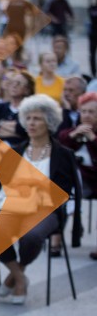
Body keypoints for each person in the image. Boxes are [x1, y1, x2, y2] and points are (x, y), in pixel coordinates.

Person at [0, 95, 82, 305]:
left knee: (31, 236)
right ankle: (20, 277)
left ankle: (15, 276)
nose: (31, 123)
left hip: (45, 209)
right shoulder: (15, 152)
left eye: (37, 118)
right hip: (13, 205)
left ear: (49, 122)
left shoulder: (63, 154)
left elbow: (64, 191)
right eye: (28, 118)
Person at [58, 92, 97, 256]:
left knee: (69, 179)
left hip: (94, 181)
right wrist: (73, 137)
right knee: (59, 183)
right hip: (74, 183)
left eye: (92, 112)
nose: (86, 115)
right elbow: (58, 150)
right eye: (84, 111)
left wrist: (93, 139)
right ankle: (56, 236)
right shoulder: (70, 132)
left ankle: (76, 217)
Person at [0, 70, 35, 146]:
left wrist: (1, 124)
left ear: (27, 90)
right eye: (12, 82)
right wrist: (17, 130)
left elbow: (26, 132)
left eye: (19, 83)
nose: (14, 85)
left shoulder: (30, 111)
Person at [88, 0, 97, 77]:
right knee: (92, 54)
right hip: (93, 34)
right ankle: (93, 72)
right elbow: (92, 17)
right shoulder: (92, 8)